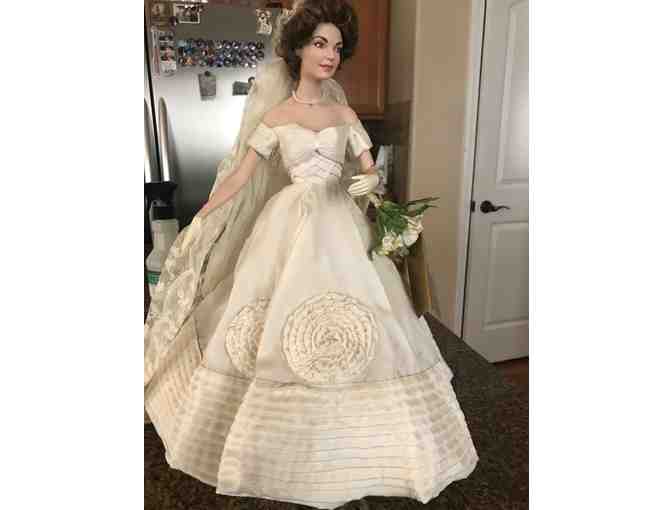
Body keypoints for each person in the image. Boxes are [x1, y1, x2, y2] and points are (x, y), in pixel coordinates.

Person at [144, 1, 478, 508]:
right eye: (320, 43)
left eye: (338, 47)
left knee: (369, 321)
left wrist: (371, 184)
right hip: (288, 222)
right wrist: (207, 213)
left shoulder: (345, 114)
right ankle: (281, 442)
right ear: (298, 49)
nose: (330, 55)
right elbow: (241, 175)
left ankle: (364, 444)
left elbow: (369, 172)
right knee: (267, 312)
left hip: (340, 219)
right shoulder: (276, 117)